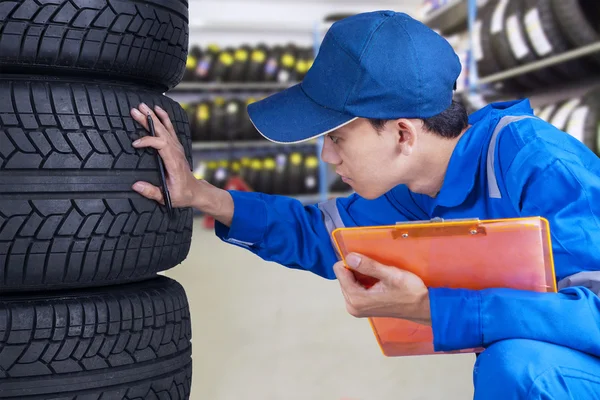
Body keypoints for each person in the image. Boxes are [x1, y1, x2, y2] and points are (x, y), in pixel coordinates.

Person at [129, 11, 600, 399]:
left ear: (402, 134)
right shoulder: (415, 188)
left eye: (336, 137)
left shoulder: (540, 164)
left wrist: (433, 309)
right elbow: (322, 233)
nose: (327, 155)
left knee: (520, 366)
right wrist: (199, 193)